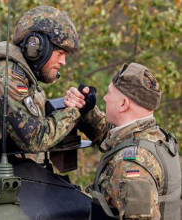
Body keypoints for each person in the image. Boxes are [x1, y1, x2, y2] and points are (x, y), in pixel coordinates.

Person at [0, 6, 81, 169]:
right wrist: (74, 111)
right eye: (60, 53)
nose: (63, 62)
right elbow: (34, 139)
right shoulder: (4, 73)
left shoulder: (18, 72)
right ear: (36, 47)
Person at [64, 63, 181, 219]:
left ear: (124, 104)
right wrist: (87, 111)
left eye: (109, 93)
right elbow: (116, 139)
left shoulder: (132, 164)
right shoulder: (155, 137)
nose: (105, 98)